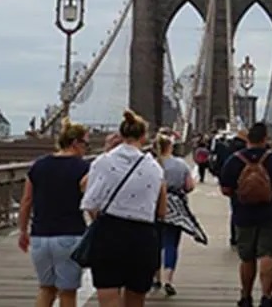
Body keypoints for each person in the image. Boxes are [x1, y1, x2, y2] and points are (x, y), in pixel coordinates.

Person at [81, 110, 167, 307]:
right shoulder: (154, 168)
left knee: (108, 294)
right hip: (143, 236)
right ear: (143, 136)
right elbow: (162, 212)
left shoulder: (102, 162)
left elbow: (90, 202)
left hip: (109, 232)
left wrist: (101, 222)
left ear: (120, 134)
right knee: (136, 298)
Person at [220, 122, 272, 307]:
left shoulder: (234, 160)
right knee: (268, 255)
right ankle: (266, 297)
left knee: (246, 258)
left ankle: (246, 297)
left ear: (248, 139)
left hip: (243, 215)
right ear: (265, 139)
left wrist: (241, 194)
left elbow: (225, 189)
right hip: (270, 215)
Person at [18, 118, 91, 307]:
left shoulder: (38, 166)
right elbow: (91, 201)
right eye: (85, 144)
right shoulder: (83, 168)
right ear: (75, 143)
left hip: (40, 237)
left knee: (46, 288)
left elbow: (26, 201)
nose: (87, 149)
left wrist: (22, 231)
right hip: (70, 234)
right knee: (67, 293)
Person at [153, 131, 195, 296]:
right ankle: (168, 279)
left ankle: (155, 278)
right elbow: (189, 186)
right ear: (171, 146)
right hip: (174, 208)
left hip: (153, 205)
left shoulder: (150, 163)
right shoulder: (181, 164)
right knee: (171, 243)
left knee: (154, 243)